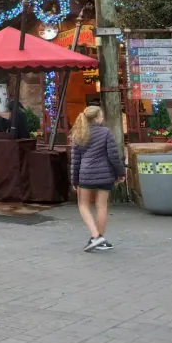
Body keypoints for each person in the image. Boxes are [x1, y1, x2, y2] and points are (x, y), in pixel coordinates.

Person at [71, 106, 124, 252]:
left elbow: (75, 161)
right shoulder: (106, 133)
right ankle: (99, 238)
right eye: (101, 116)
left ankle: (95, 236)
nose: (103, 119)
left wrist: (74, 180)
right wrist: (120, 173)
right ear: (96, 118)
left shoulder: (78, 134)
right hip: (105, 175)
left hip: (85, 175)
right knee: (102, 206)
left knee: (83, 205)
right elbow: (113, 156)